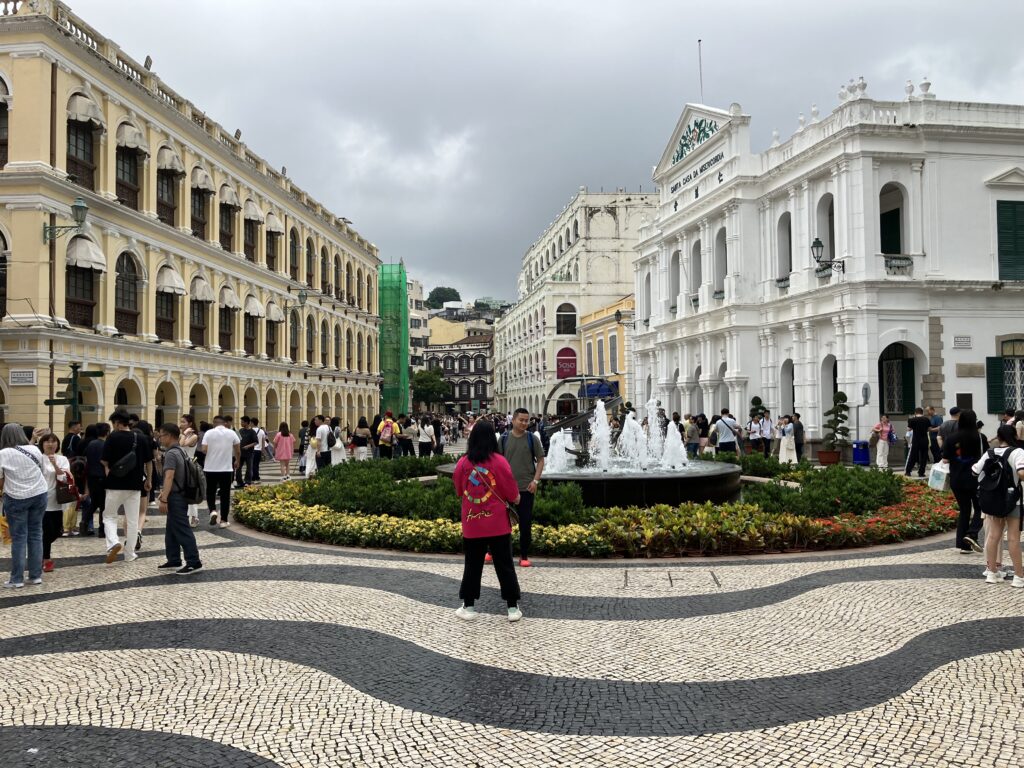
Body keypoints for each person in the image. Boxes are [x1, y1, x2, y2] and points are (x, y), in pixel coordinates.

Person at [452, 419, 523, 622]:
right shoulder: (500, 461)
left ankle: (469, 606)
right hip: (498, 525)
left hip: (472, 524)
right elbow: (512, 493)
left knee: (472, 565)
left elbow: (459, 490)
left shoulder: (463, 463)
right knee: (504, 565)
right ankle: (512, 608)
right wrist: (516, 499)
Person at [973, 425, 1024, 586]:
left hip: (993, 500)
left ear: (998, 437)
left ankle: (992, 573)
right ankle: (1018, 576)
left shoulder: (990, 453)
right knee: (1014, 538)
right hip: (1012, 500)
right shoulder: (1018, 452)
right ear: (1014, 436)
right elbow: (1021, 473)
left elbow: (975, 471)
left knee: (993, 536)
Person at [1, 424, 52, 588]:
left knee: (19, 538)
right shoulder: (34, 449)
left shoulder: (3, 453)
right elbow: (41, 471)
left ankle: (16, 579)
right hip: (39, 494)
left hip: (16, 497)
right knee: (36, 534)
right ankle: (35, 575)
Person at [101, 409, 152, 564]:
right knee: (132, 520)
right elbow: (148, 462)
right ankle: (129, 554)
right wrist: (148, 480)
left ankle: (113, 542)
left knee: (109, 516)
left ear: (116, 422)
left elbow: (104, 461)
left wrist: (110, 473)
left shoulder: (111, 438)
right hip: (135, 485)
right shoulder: (141, 438)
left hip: (114, 484)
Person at [498, 407, 545, 568]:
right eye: (521, 420)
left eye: (527, 420)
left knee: (525, 523)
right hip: (505, 489)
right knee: (500, 523)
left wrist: (536, 481)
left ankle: (524, 555)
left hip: (526, 488)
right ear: (513, 420)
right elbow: (496, 462)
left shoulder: (532, 439)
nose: (525, 423)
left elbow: (540, 460)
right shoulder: (503, 439)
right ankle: (494, 551)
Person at [156, 423, 202, 575]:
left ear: (169, 436)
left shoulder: (171, 454)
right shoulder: (181, 451)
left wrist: (164, 499)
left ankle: (193, 561)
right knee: (172, 528)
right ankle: (174, 558)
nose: (159, 438)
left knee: (182, 529)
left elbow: (169, 476)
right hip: (180, 494)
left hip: (175, 496)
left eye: (161, 435)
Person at [940, 409, 986, 554]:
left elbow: (945, 458)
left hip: (957, 479)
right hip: (975, 478)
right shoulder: (979, 437)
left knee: (964, 510)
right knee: (981, 508)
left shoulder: (951, 438)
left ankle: (963, 545)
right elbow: (987, 456)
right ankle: (971, 534)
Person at [199, 415, 240, 528]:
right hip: (226, 469)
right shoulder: (231, 433)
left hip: (210, 468)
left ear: (214, 423)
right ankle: (223, 520)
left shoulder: (208, 433)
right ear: (225, 423)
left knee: (210, 491)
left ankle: (212, 510)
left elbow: (203, 449)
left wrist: (211, 452)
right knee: (225, 494)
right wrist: (237, 460)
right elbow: (237, 449)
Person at [39, 433, 72, 573]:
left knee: (56, 531)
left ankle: (38, 548)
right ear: (42, 444)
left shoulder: (62, 459)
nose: (50, 444)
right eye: (47, 441)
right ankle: (45, 559)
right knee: (47, 531)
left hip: (58, 500)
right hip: (41, 499)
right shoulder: (38, 458)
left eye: (53, 441)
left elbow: (64, 478)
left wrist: (55, 464)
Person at [179, 414, 200, 527]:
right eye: (181, 422)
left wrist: (184, 434)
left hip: (190, 465)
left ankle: (194, 517)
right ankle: (187, 515)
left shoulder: (194, 436)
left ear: (190, 424)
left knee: (191, 491)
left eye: (183, 422)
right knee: (183, 491)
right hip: (182, 464)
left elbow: (182, 444)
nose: (181, 424)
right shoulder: (182, 435)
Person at [905, 407, 932, 478]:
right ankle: (921, 472)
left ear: (915, 412)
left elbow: (908, 429)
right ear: (922, 412)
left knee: (913, 456)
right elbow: (929, 429)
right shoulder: (926, 419)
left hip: (916, 440)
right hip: (924, 440)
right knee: (924, 457)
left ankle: (908, 471)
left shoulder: (912, 419)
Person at [235, 416, 258, 488]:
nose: (241, 423)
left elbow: (256, 442)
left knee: (249, 468)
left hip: (249, 453)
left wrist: (248, 446)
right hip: (240, 453)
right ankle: (239, 482)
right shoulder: (240, 431)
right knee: (238, 468)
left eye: (242, 422)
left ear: (246, 423)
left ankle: (247, 482)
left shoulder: (252, 432)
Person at [251, 417, 266, 483]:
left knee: (251, 465)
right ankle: (256, 477)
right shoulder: (261, 431)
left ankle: (252, 478)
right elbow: (263, 442)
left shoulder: (250, 430)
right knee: (256, 465)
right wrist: (263, 450)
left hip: (251, 450)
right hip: (258, 450)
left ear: (252, 423)